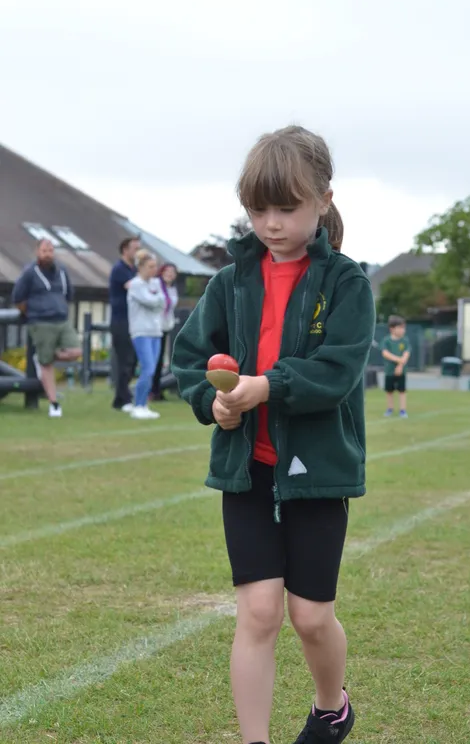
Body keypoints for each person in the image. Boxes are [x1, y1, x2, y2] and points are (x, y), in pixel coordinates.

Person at [172, 125, 375, 744]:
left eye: (286, 208)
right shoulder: (230, 282)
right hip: (247, 469)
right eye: (258, 209)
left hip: (316, 471)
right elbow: (190, 357)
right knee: (258, 613)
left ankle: (331, 708)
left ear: (324, 199)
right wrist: (216, 402)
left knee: (311, 617)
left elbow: (336, 372)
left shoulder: (346, 282)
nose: (271, 223)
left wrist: (268, 386)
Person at [11, 238, 81, 418]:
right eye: (44, 250)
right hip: (41, 322)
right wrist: (32, 313)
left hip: (61, 319)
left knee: (75, 351)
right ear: (37, 252)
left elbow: (69, 294)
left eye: (50, 250)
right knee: (47, 365)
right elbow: (18, 298)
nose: (48, 254)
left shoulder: (62, 271)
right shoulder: (29, 272)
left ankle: (44, 357)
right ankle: (54, 403)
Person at [127, 249, 166, 420]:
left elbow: (162, 303)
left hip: (156, 331)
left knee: (152, 369)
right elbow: (150, 301)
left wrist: (157, 300)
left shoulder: (156, 283)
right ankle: (138, 404)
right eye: (150, 266)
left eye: (155, 266)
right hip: (141, 331)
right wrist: (157, 300)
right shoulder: (135, 284)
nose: (154, 270)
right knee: (147, 368)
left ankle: (144, 404)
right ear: (141, 267)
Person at [109, 236, 141, 412]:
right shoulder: (119, 269)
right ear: (125, 250)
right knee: (124, 360)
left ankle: (121, 397)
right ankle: (123, 399)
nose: (137, 253)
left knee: (133, 360)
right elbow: (135, 286)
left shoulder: (134, 269)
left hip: (133, 320)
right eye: (135, 249)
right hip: (121, 320)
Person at [150, 262, 179, 401]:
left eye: (172, 272)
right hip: (153, 327)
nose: (170, 274)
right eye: (167, 271)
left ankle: (156, 390)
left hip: (165, 327)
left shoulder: (172, 289)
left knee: (160, 359)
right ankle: (151, 390)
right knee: (154, 359)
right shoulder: (156, 284)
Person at [381, 315, 411, 418]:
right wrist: (398, 360)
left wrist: (400, 366)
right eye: (400, 328)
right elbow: (385, 353)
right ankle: (390, 409)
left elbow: (406, 354)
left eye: (404, 328)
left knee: (402, 391)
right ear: (392, 329)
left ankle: (403, 410)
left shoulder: (405, 341)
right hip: (389, 371)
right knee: (389, 391)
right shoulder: (386, 340)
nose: (403, 330)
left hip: (401, 371)